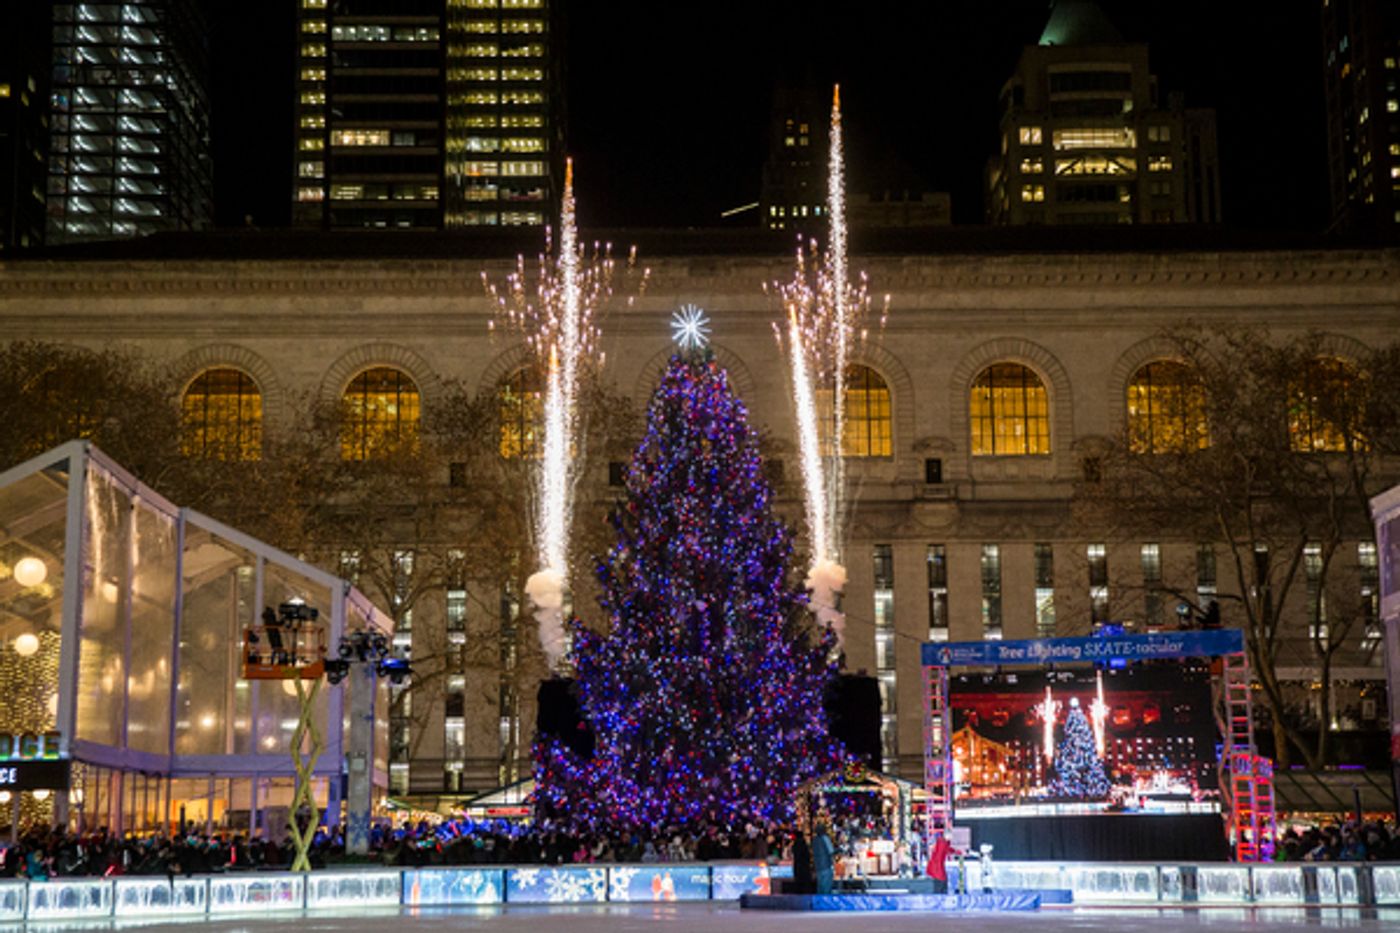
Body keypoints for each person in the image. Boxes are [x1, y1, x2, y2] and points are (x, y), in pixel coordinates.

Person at [812, 817, 835, 896]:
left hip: (818, 867)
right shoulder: (825, 838)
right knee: (826, 889)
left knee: (820, 888)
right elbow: (831, 851)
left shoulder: (814, 840)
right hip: (826, 866)